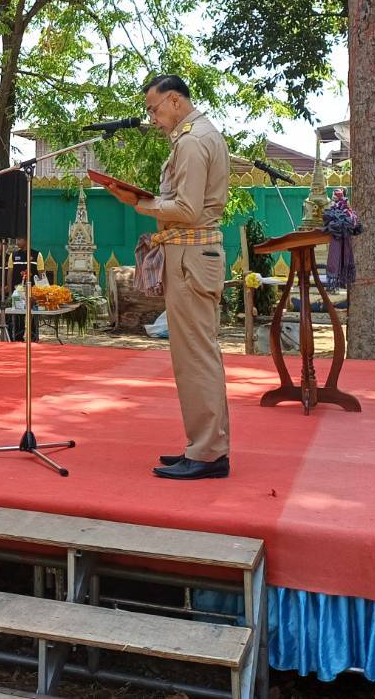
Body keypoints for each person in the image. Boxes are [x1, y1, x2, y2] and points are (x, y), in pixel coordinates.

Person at [105, 74, 231, 480]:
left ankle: (208, 452)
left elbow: (188, 209)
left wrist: (139, 203)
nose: (153, 119)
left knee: (196, 355)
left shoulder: (192, 142)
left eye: (154, 109)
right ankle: (203, 445)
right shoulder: (199, 135)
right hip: (191, 255)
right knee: (193, 354)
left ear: (175, 100)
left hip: (192, 255)